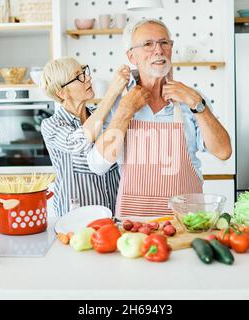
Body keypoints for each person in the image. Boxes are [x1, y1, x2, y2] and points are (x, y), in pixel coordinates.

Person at [87, 19, 232, 219]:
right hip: (134, 225)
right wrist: (125, 110)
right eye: (148, 44)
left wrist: (197, 103)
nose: (159, 50)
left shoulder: (192, 100)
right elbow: (98, 165)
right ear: (132, 56)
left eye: (164, 43)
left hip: (188, 222)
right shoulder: (120, 103)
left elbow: (223, 151)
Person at [40, 57, 144, 216]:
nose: (87, 77)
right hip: (76, 218)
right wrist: (112, 92)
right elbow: (80, 141)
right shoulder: (51, 125)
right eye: (78, 76)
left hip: (114, 213)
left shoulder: (101, 113)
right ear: (61, 93)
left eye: (84, 71)